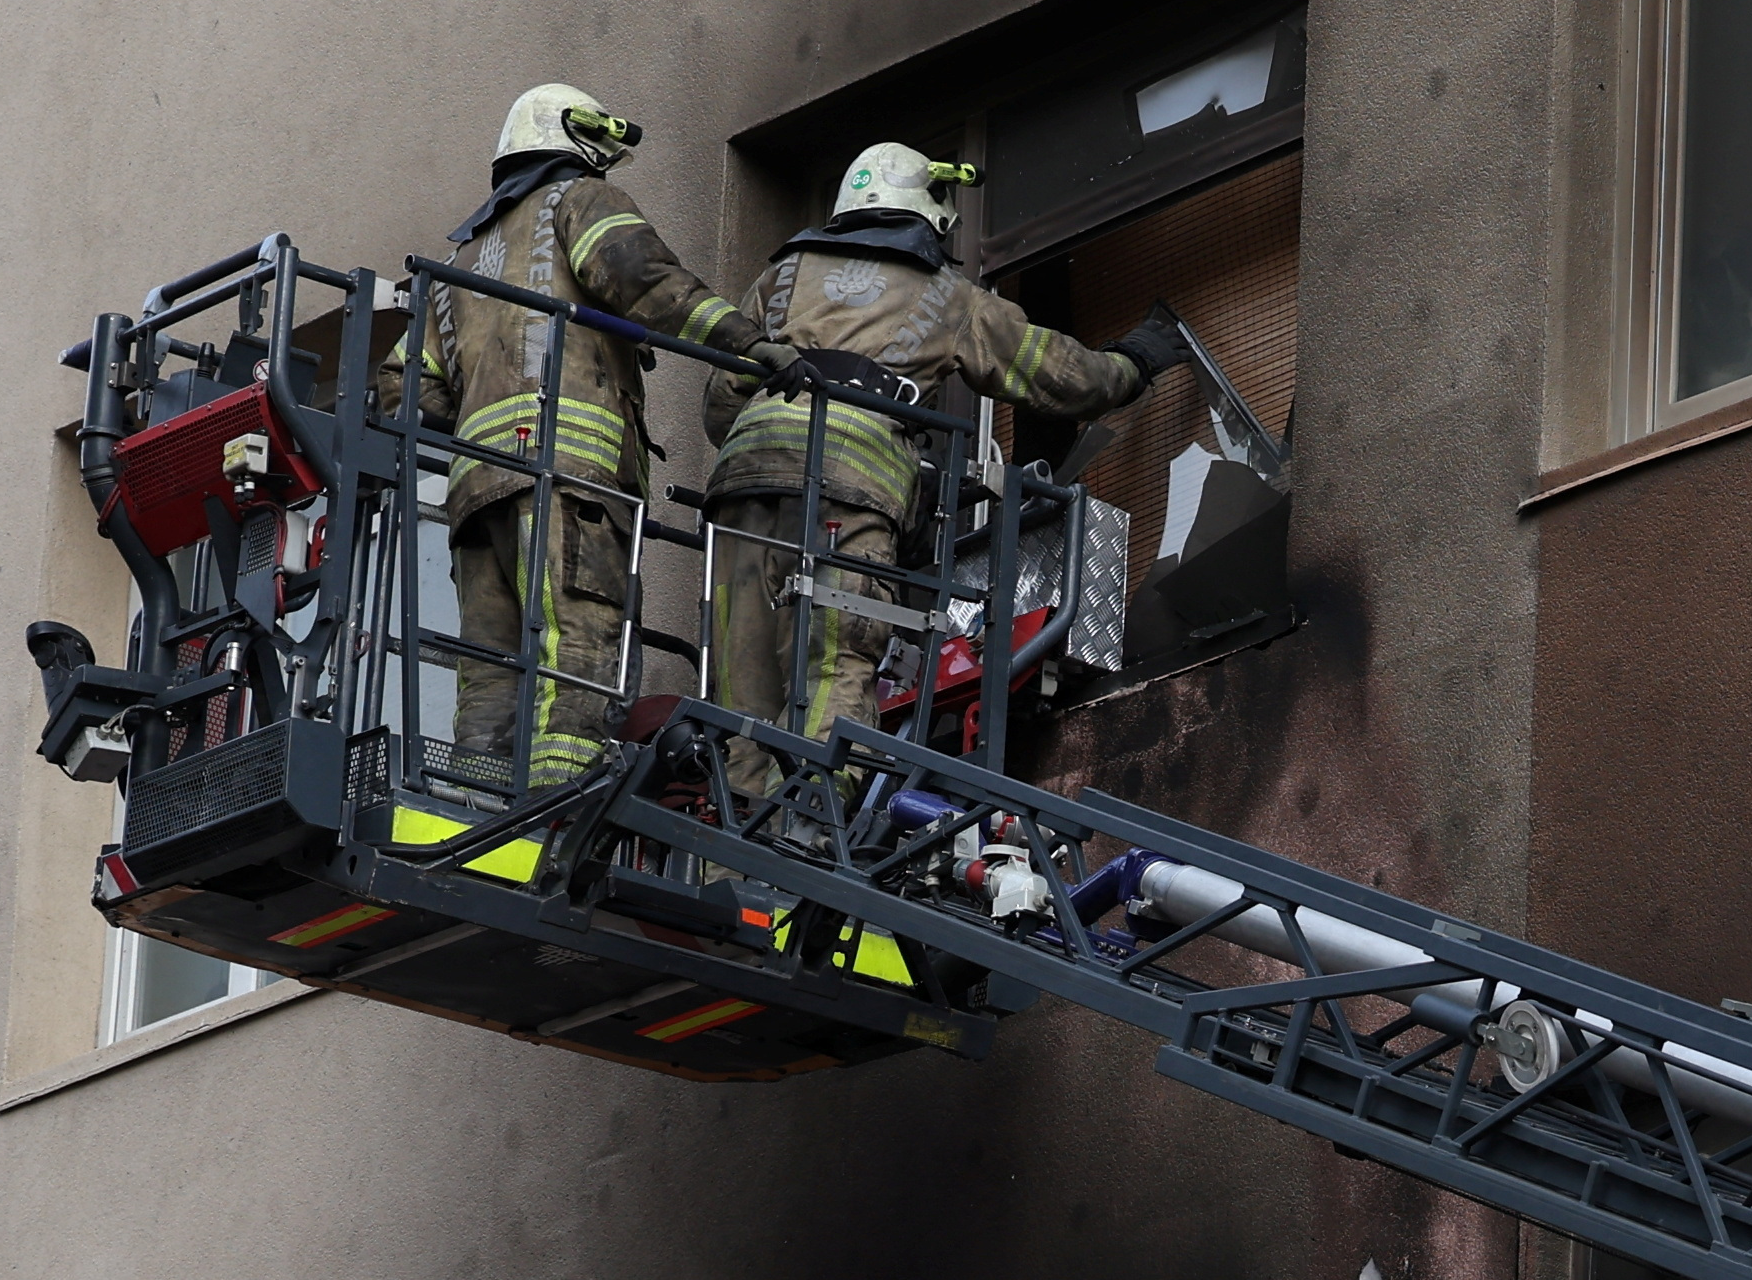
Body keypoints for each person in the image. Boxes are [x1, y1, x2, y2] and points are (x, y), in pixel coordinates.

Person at [693, 141, 1193, 787]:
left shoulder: (780, 275)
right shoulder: (944, 294)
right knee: (833, 664)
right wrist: (1133, 362)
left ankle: (731, 859)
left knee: (743, 681)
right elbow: (1056, 373)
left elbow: (719, 405)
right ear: (926, 215)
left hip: (741, 486)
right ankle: (810, 829)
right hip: (849, 492)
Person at [414, 84, 735, 792]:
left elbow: (408, 390)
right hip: (569, 477)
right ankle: (556, 817)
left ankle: (477, 808)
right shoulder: (578, 200)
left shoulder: (457, 265)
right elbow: (646, 280)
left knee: (492, 680)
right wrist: (745, 342)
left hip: (478, 496)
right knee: (579, 655)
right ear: (571, 138)